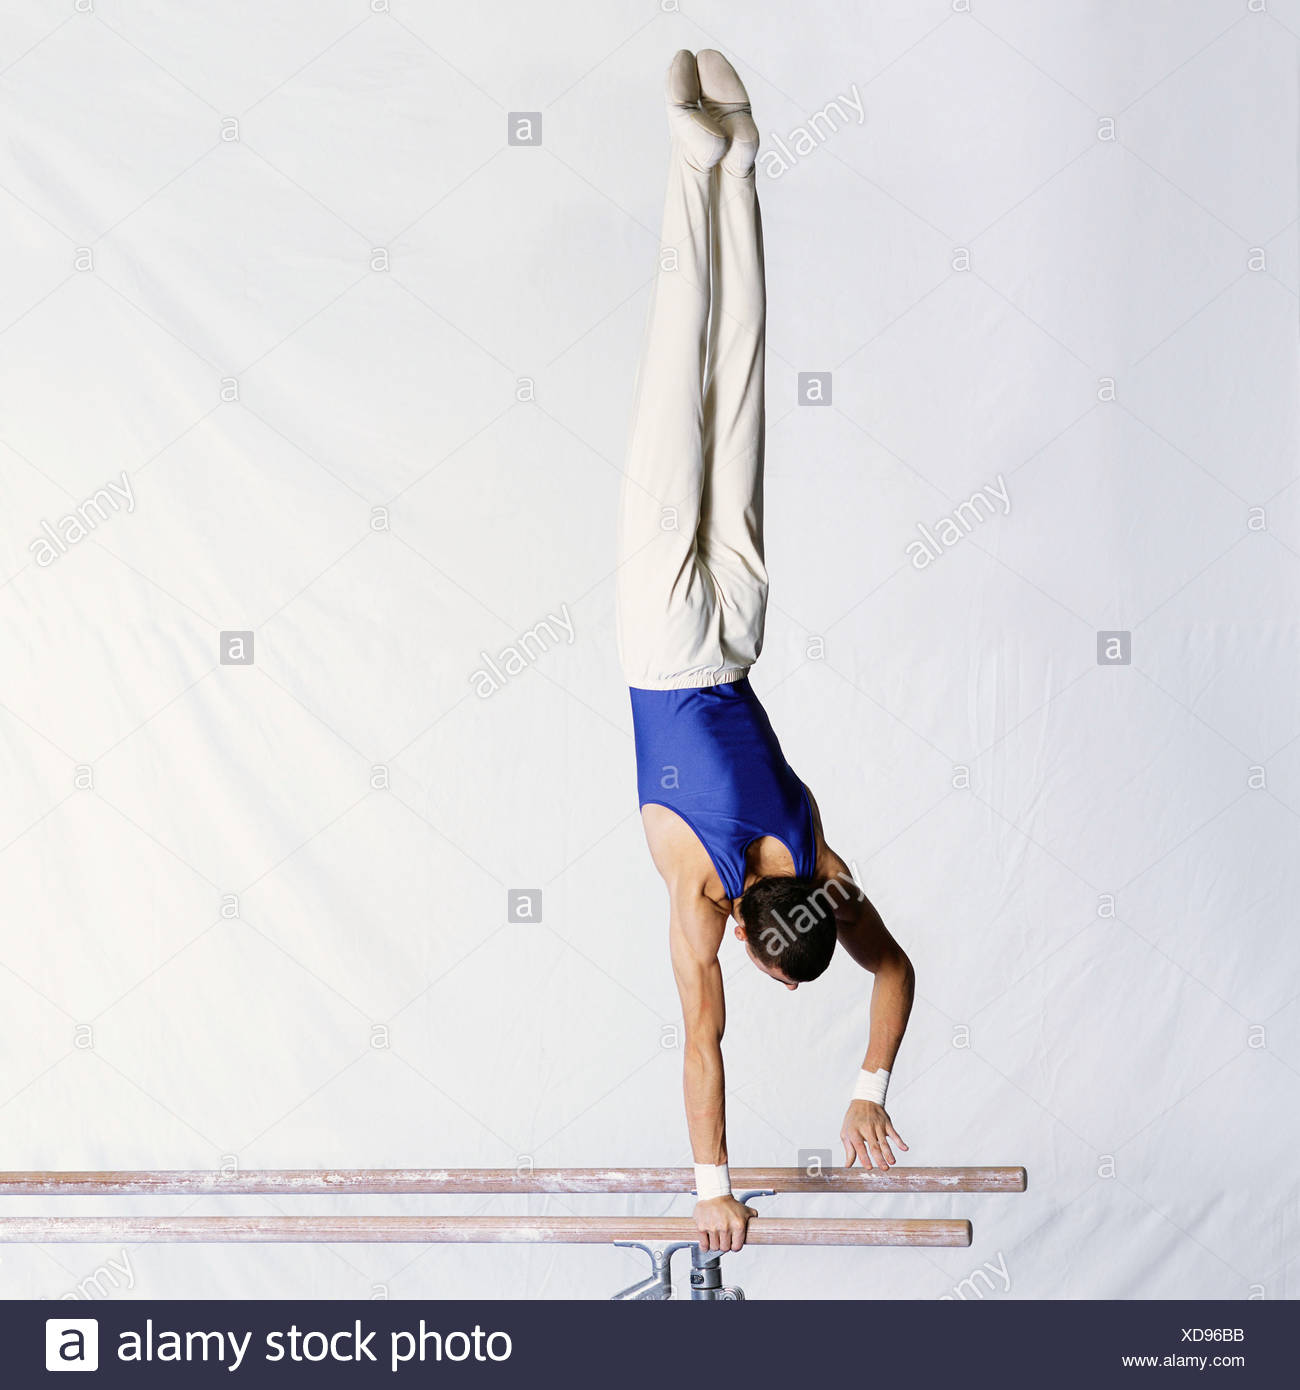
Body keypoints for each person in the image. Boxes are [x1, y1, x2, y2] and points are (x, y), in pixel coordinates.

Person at [616, 50, 916, 1254]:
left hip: (736, 629)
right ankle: (700, 165)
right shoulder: (694, 886)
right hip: (665, 636)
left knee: (733, 387)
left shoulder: (824, 861)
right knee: (676, 374)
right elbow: (702, 1040)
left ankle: (736, 158)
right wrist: (709, 1188)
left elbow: (892, 974)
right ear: (746, 929)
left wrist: (869, 1085)